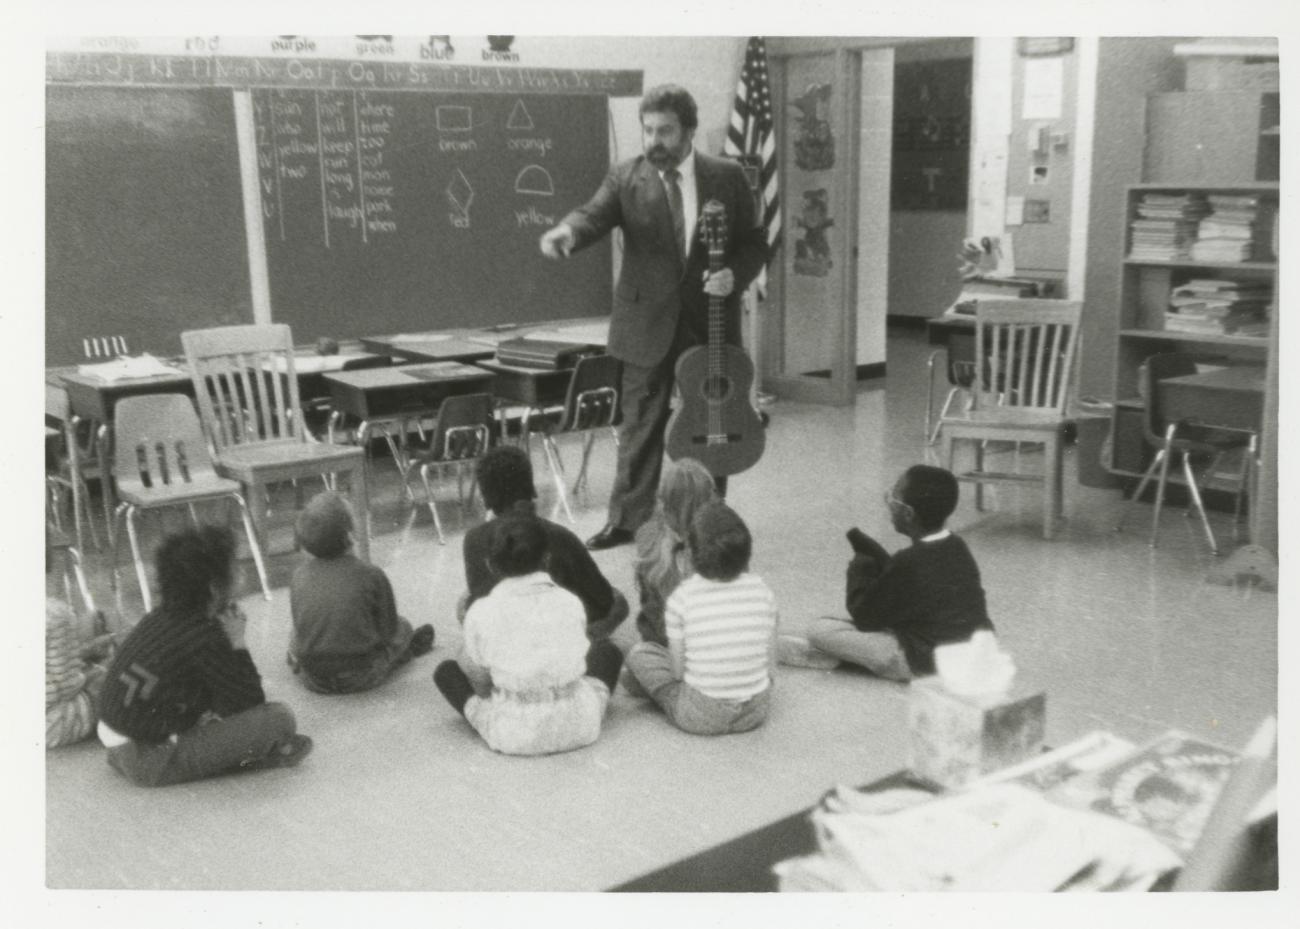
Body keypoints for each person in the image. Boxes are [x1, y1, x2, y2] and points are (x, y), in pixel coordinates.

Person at [539, 83, 766, 550]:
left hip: (709, 323)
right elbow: (593, 215)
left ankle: (707, 521)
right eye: (647, 130)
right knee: (639, 426)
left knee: (710, 420)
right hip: (644, 325)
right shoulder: (627, 177)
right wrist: (567, 231)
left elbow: (756, 243)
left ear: (688, 131)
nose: (654, 141)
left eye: (664, 131)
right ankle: (626, 521)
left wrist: (734, 277)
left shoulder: (726, 175)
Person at [97, 526, 311, 786]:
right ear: (214, 588)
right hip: (150, 759)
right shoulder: (207, 635)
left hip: (117, 741)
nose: (241, 572)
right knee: (278, 719)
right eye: (235, 568)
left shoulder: (158, 616)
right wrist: (237, 643)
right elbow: (248, 703)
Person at [778, 465, 995, 680]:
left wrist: (860, 569)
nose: (889, 502)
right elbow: (917, 591)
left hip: (925, 663)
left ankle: (839, 658)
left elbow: (864, 617)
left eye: (893, 497)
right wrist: (886, 563)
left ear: (908, 514)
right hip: (975, 653)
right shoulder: (957, 546)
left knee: (821, 629)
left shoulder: (908, 561)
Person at [433, 515, 624, 756]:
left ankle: (483, 709)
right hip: (578, 725)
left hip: (514, 734)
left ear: (491, 565)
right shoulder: (570, 601)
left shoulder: (481, 611)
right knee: (608, 652)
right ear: (547, 558)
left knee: (446, 672)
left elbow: (481, 671)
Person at [624, 501, 777, 735]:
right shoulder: (762, 590)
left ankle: (649, 689)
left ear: (690, 555)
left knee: (640, 654)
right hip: (755, 711)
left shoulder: (682, 598)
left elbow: (677, 672)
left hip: (703, 715)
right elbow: (770, 663)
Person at [460, 445, 627, 639]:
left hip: (504, 637)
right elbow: (603, 599)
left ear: (485, 497)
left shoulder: (472, 539)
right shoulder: (560, 535)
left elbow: (478, 597)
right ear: (531, 487)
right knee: (619, 601)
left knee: (464, 602)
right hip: (559, 635)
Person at [289, 492, 435, 694]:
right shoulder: (372, 574)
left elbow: (300, 623)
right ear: (350, 536)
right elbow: (388, 631)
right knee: (404, 627)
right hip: (360, 675)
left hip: (313, 678)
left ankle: (295, 659)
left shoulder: (298, 576)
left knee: (297, 634)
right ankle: (406, 652)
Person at [632, 457, 716, 647]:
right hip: (714, 637)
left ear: (662, 498)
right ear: (709, 498)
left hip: (664, 641)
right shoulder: (722, 536)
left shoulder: (647, 535)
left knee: (637, 656)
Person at [46, 597, 115, 749]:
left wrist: (86, 650)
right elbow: (66, 688)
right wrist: (101, 669)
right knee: (125, 676)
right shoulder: (54, 613)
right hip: (56, 724)